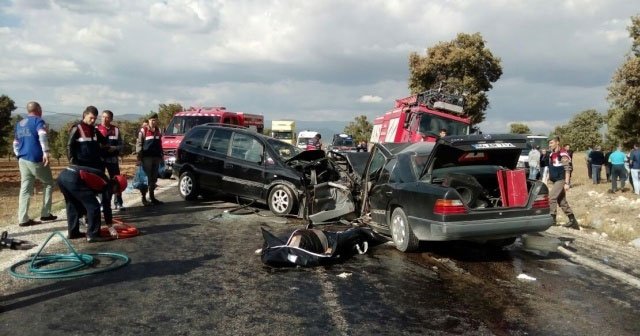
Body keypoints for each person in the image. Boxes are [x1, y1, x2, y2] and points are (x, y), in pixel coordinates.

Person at [13, 101, 57, 227]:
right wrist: (46, 152)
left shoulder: (19, 123)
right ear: (38, 109)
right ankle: (46, 213)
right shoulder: (38, 121)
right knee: (48, 183)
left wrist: (18, 155)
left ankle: (23, 219)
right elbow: (42, 135)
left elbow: (15, 143)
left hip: (23, 159)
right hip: (36, 158)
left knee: (25, 188)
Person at [57, 165, 127, 242]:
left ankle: (73, 233)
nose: (114, 193)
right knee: (94, 207)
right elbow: (106, 206)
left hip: (62, 177)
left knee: (73, 205)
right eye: (116, 191)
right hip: (73, 178)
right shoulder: (107, 184)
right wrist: (110, 226)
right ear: (116, 185)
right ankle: (93, 235)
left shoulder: (102, 179)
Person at [97, 110, 125, 211]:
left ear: (111, 119)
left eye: (107, 117)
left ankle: (118, 202)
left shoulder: (116, 130)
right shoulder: (96, 129)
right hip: (100, 160)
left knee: (116, 181)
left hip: (112, 159)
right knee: (100, 181)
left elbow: (121, 145)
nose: (104, 119)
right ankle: (102, 203)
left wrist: (115, 148)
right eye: (103, 117)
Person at [548, 137, 579, 229]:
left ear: (557, 143)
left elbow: (567, 170)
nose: (550, 145)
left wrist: (567, 183)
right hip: (556, 180)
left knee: (551, 197)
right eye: (549, 143)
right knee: (561, 201)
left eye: (551, 143)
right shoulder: (552, 154)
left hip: (561, 180)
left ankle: (552, 219)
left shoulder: (563, 154)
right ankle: (572, 221)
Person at [136, 113, 164, 205]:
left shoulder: (158, 130)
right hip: (146, 158)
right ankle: (144, 198)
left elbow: (160, 144)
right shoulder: (143, 131)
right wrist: (139, 158)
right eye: (152, 120)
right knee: (145, 179)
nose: (153, 122)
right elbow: (139, 144)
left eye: (155, 120)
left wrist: (162, 155)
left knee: (153, 178)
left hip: (156, 157)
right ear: (148, 120)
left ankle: (152, 197)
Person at [67, 106, 106, 170]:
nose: (93, 120)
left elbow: (104, 141)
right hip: (82, 163)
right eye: (91, 118)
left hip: (96, 163)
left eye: (95, 118)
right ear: (85, 115)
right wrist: (72, 162)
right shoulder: (77, 128)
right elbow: (69, 146)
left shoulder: (94, 129)